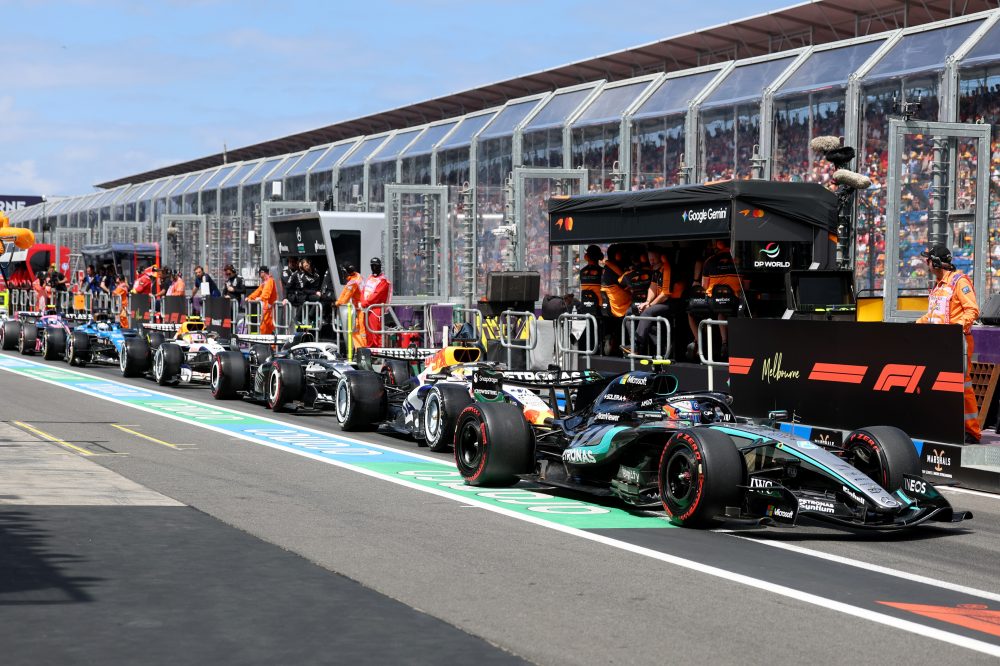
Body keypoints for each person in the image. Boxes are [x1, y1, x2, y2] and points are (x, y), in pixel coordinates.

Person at [916, 245, 981, 443]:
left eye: (928, 260)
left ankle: (971, 431)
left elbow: (972, 310)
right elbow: (933, 315)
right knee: (939, 385)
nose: (926, 264)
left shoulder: (958, 282)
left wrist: (955, 330)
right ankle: (945, 426)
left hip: (957, 343)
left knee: (962, 385)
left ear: (935, 262)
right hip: (939, 344)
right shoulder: (937, 286)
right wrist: (916, 325)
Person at [689, 238, 742, 360]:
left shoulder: (709, 261)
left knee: (691, 312)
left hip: (713, 302)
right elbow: (746, 286)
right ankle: (727, 342)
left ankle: (699, 344)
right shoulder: (739, 260)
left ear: (719, 244)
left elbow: (704, 286)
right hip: (735, 301)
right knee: (724, 310)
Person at [600, 245, 631, 355]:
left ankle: (613, 342)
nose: (622, 255)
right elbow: (628, 284)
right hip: (619, 305)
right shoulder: (615, 268)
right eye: (620, 253)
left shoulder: (606, 267)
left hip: (608, 305)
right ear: (616, 255)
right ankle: (632, 345)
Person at [360, 257, 391, 347]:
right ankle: (370, 352)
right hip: (367, 308)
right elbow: (364, 290)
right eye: (372, 266)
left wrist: (364, 303)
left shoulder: (383, 280)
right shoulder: (369, 278)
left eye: (376, 266)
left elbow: (377, 295)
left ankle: (378, 355)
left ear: (380, 267)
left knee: (376, 332)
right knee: (368, 332)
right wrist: (362, 301)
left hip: (376, 309)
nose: (374, 268)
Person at [334, 263, 366, 350]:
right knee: (359, 330)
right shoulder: (358, 276)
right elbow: (345, 291)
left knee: (359, 330)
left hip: (360, 309)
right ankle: (360, 350)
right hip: (362, 307)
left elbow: (346, 296)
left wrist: (336, 303)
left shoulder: (353, 282)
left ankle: (361, 350)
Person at [246, 265, 278, 334]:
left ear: (263, 272)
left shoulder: (270, 281)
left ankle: (271, 344)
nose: (259, 275)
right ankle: (266, 344)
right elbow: (257, 292)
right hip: (266, 309)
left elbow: (266, 294)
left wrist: (261, 298)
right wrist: (250, 297)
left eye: (260, 273)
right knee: (264, 328)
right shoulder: (265, 282)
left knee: (268, 328)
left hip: (269, 309)